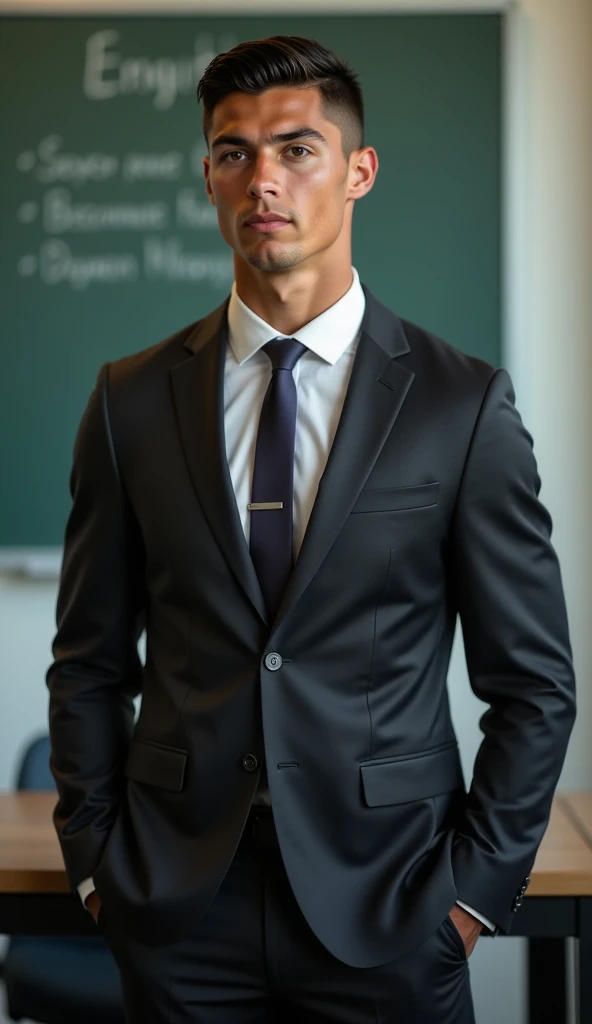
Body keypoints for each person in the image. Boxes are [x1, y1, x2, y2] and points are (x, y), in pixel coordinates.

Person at [46, 34, 576, 1024]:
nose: (263, 181)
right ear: (207, 175)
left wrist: (468, 897)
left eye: (297, 149)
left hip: (393, 903)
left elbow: (532, 686)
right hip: (178, 910)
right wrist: (96, 867)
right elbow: (88, 663)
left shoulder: (460, 406)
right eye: (233, 153)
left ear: (358, 170)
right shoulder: (129, 402)